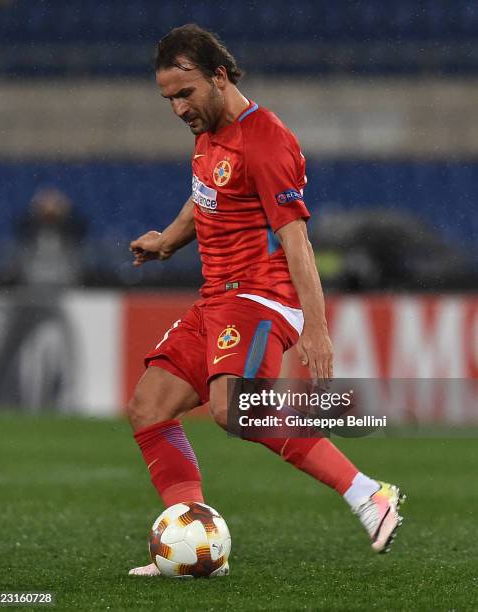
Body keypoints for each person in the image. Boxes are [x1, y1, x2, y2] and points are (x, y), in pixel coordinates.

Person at [128, 24, 404, 577]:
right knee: (149, 410)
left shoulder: (267, 138)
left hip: (260, 296)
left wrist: (317, 330)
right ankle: (195, 540)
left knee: (235, 410)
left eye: (186, 93)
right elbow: (205, 195)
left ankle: (369, 494)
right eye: (170, 99)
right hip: (215, 299)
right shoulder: (207, 132)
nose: (179, 108)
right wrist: (167, 239)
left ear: (220, 76)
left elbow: (298, 239)